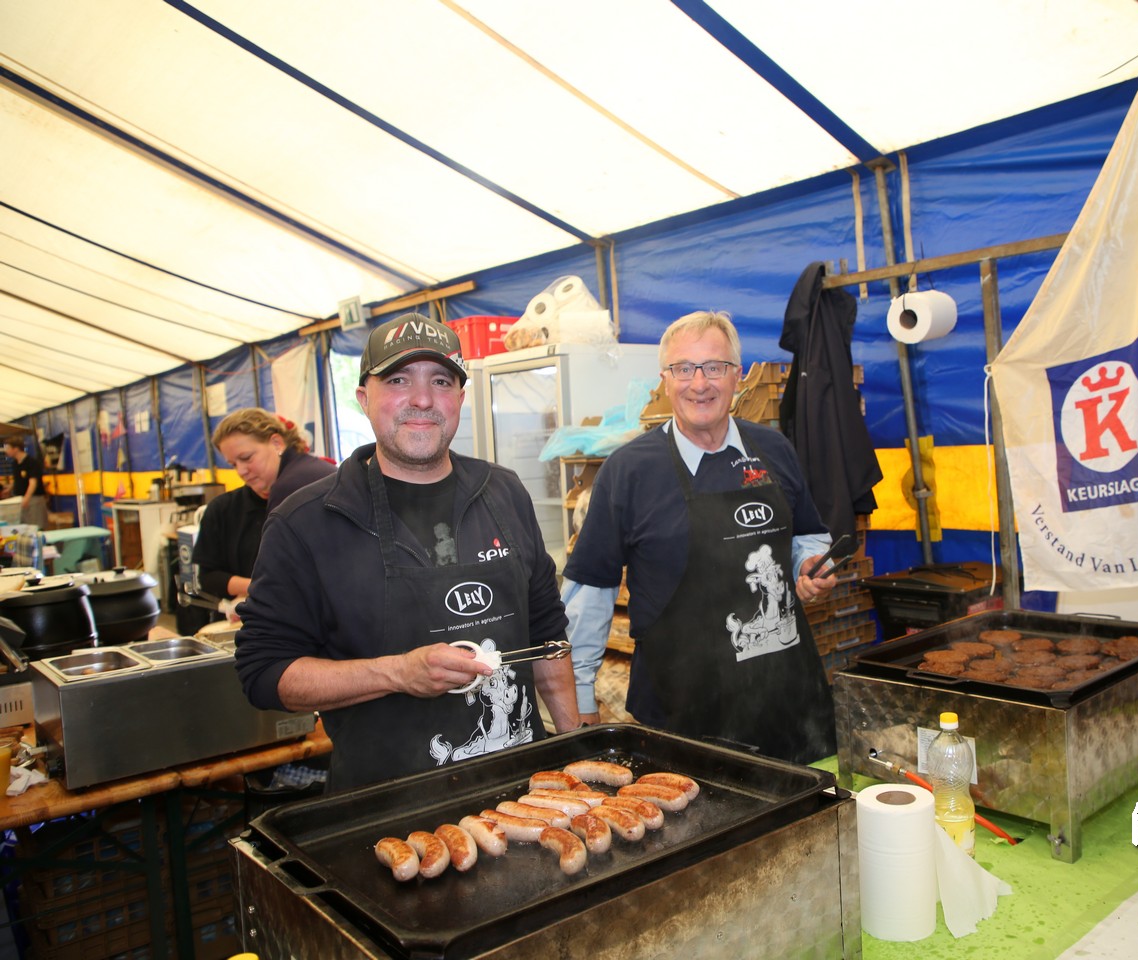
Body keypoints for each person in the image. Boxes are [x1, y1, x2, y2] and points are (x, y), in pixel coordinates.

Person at [234, 313, 580, 791]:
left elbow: (547, 634)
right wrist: (397, 673)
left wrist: (575, 744)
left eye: (441, 381)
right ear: (364, 399)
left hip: (524, 793)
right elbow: (265, 673)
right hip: (389, 808)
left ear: (460, 398)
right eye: (398, 380)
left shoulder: (504, 492)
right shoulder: (305, 522)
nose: (422, 399)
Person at [562, 310, 841, 764]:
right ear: (665, 379)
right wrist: (580, 698)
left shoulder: (774, 449)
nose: (699, 384)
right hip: (682, 715)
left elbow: (808, 535)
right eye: (683, 369)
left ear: (737, 376)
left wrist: (807, 564)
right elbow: (591, 592)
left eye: (714, 367)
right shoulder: (628, 471)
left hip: (790, 705)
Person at [192, 409, 337, 609]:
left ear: (277, 443)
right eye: (233, 464)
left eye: (247, 458)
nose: (241, 471)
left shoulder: (291, 488)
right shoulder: (222, 509)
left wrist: (260, 592)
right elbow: (208, 576)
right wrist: (254, 589)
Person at [3, 437, 47, 529]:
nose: (6, 451)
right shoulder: (15, 463)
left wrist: (27, 498)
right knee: (24, 528)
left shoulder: (31, 462)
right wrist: (9, 489)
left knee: (35, 526)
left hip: (33, 499)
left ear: (16, 449)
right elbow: (18, 480)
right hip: (20, 499)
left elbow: (33, 482)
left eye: (8, 448)